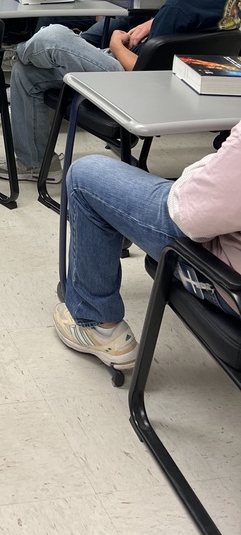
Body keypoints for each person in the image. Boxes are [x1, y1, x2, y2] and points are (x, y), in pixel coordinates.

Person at [0, 0, 241, 184]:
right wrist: (152, 24)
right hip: (191, 90)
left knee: (54, 36)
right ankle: (34, 163)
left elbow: (140, 72)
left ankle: (14, 53)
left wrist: (117, 42)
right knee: (28, 73)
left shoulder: (182, 6)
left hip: (137, 90)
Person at [54, 124, 241, 370]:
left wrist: (201, 169)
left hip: (226, 281)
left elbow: (190, 215)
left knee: (83, 175)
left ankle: (97, 325)